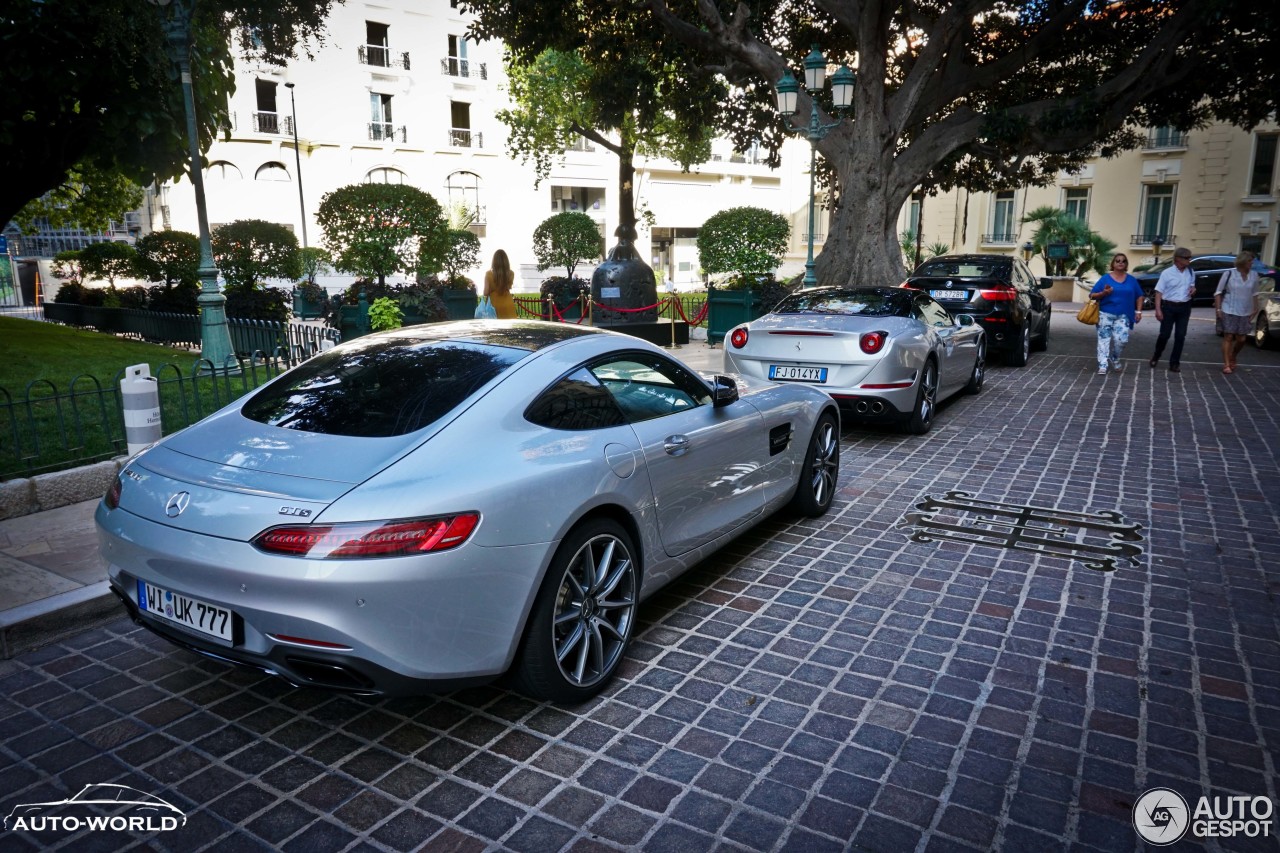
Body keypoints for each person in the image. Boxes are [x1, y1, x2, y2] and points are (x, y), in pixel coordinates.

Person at [1088, 253, 1144, 375]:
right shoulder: (1105, 279)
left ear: (1126, 264)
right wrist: (1104, 293)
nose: (1120, 262)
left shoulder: (1131, 280)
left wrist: (1138, 311)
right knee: (1103, 340)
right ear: (1113, 263)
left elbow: (1139, 296)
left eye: (1123, 261)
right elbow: (1092, 295)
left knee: (1122, 340)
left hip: (1123, 316)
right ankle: (1102, 364)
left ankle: (1115, 357)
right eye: (1117, 260)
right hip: (1105, 314)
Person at [1148, 246, 1194, 372]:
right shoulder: (1167, 273)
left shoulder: (1190, 271)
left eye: (1190, 258)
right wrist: (1158, 310)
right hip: (1169, 306)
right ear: (1178, 259)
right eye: (1187, 258)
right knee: (1164, 335)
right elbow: (1158, 292)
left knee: (1180, 335)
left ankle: (1175, 363)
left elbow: (1192, 286)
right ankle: (1156, 355)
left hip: (1184, 306)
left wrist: (1193, 290)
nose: (1189, 260)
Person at [1214, 251, 1259, 374]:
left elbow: (1255, 293)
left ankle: (1233, 355)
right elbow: (1218, 292)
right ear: (1243, 261)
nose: (1251, 264)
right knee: (1228, 336)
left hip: (1245, 310)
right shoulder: (1229, 273)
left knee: (1241, 339)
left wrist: (1256, 308)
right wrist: (1218, 309)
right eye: (1250, 261)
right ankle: (1226, 364)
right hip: (1229, 308)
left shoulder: (1254, 275)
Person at [483, 249, 517, 319]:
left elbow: (485, 292)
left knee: (495, 328)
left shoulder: (489, 274)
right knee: (509, 328)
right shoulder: (511, 273)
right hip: (508, 303)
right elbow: (509, 287)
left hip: (494, 305)